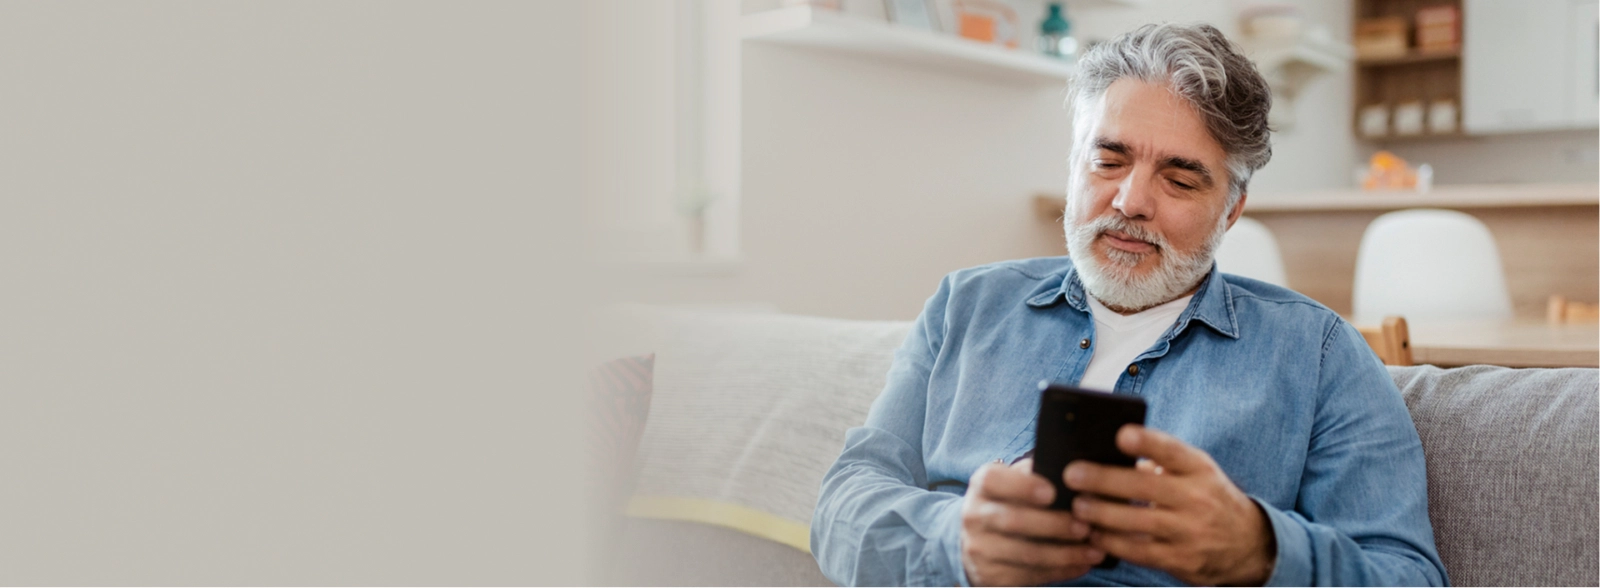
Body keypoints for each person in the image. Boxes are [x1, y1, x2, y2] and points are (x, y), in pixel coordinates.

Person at [810, 23, 1448, 587]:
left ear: (1232, 209)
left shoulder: (1319, 355)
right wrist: (956, 542)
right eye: (1108, 160)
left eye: (1179, 179)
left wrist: (1259, 553)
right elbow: (843, 507)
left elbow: (1408, 576)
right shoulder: (964, 308)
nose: (1130, 200)